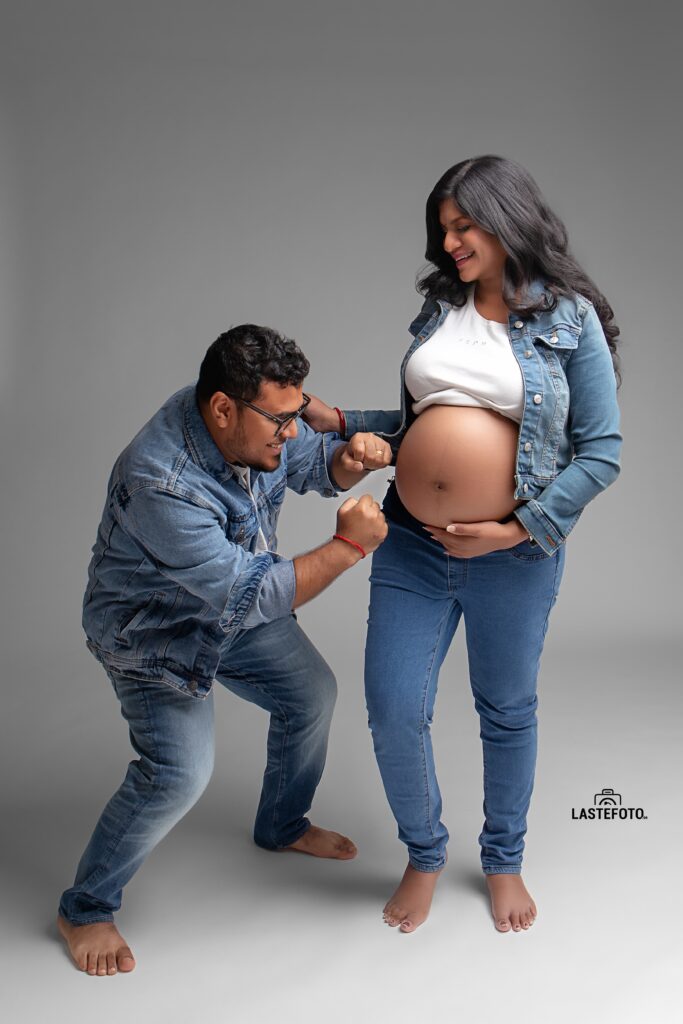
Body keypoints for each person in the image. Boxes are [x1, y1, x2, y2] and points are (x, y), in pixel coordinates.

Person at [303, 155, 622, 935]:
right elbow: (421, 427)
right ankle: (424, 853)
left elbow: (601, 451)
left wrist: (516, 528)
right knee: (390, 709)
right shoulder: (437, 313)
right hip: (411, 543)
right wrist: (344, 419)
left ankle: (503, 858)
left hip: (512, 555)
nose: (447, 243)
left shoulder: (569, 319)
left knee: (505, 710)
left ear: (507, 217)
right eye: (441, 229)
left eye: (462, 225)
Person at [58, 323, 390, 975]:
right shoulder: (161, 481)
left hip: (230, 602)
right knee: (178, 775)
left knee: (311, 694)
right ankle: (86, 908)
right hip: (153, 634)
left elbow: (295, 462)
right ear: (223, 409)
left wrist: (341, 464)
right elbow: (257, 595)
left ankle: (282, 825)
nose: (293, 430)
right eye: (281, 419)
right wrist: (349, 547)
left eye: (297, 414)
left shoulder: (239, 418)